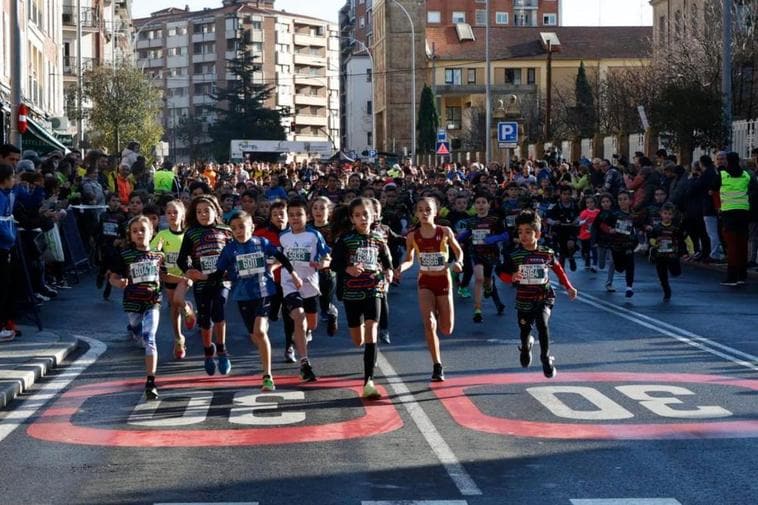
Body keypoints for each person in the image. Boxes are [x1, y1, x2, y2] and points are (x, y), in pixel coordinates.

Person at [209, 210, 302, 391]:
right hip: (243, 297)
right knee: (255, 336)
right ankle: (263, 340)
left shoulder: (261, 243)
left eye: (242, 227)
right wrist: (204, 283)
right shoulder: (229, 250)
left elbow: (281, 256)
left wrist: (294, 274)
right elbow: (218, 274)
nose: (238, 231)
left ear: (252, 227)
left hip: (263, 292)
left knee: (259, 332)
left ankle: (267, 375)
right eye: (234, 228)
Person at [496, 210, 577, 379]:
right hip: (524, 299)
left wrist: (569, 286)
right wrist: (512, 277)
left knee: (542, 324)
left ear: (538, 234)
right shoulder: (515, 255)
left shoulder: (546, 253)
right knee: (525, 329)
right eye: (520, 232)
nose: (523, 236)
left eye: (528, 232)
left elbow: (558, 269)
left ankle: (545, 358)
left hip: (544, 296)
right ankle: (526, 347)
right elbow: (501, 273)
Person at [109, 215, 182, 400]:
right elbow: (113, 277)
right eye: (135, 231)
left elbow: (165, 277)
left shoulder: (159, 256)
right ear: (130, 235)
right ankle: (134, 330)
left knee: (150, 338)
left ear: (151, 232)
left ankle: (150, 382)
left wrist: (184, 279)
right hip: (132, 302)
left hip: (153, 301)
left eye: (143, 230)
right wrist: (119, 282)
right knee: (137, 329)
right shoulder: (125, 255)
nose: (139, 234)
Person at [331, 197, 394, 400]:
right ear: (352, 218)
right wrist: (348, 268)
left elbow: (386, 258)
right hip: (352, 293)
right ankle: (367, 357)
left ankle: (369, 381)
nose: (363, 218)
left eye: (366, 214)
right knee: (358, 339)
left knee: (371, 329)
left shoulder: (378, 238)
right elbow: (334, 264)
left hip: (373, 289)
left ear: (373, 215)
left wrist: (390, 271)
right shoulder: (345, 240)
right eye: (358, 215)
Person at [396, 197, 464, 382]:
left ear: (435, 212)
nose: (424, 213)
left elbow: (458, 251)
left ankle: (441, 313)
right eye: (420, 210)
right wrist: (401, 268)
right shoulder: (412, 236)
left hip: (443, 281)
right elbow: (410, 259)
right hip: (425, 281)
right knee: (429, 323)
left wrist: (458, 262)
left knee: (447, 328)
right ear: (416, 214)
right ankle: (437, 365)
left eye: (428, 209)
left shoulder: (445, 231)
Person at [177, 195, 233, 375]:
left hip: (221, 280)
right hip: (202, 281)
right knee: (205, 319)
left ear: (215, 211)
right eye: (199, 211)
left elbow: (235, 254)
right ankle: (208, 352)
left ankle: (222, 350)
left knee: (219, 310)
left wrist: (230, 270)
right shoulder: (191, 233)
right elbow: (181, 260)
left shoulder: (225, 230)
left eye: (207, 210)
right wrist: (191, 273)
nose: (203, 214)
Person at [279, 198, 331, 382]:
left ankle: (305, 331)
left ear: (306, 216)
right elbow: (278, 260)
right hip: (290, 283)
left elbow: (327, 257)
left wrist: (322, 264)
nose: (294, 218)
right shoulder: (283, 237)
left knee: (312, 324)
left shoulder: (314, 236)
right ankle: (304, 363)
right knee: (298, 316)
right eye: (291, 215)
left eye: (298, 214)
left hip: (310, 284)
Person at [151, 200, 196, 359]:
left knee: (178, 299)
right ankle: (178, 339)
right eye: (168, 213)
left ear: (182, 214)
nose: (172, 215)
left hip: (186, 275)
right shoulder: (163, 235)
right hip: (169, 276)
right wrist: (158, 254)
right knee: (174, 307)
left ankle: (188, 309)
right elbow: (152, 251)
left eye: (175, 212)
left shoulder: (188, 234)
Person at [715, 152, 757, 286]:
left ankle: (732, 276)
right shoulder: (746, 175)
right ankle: (742, 275)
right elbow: (754, 190)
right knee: (742, 243)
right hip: (744, 211)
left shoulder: (722, 175)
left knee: (732, 244)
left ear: (727, 161)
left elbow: (712, 188)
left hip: (728, 212)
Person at [310, 196, 339, 336]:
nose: (318, 211)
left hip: (327, 271)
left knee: (325, 306)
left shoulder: (334, 229)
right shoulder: (307, 227)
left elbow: (338, 250)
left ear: (330, 211)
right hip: (308, 270)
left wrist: (327, 259)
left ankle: (331, 312)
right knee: (307, 303)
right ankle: (306, 330)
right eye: (315, 207)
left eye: (322, 208)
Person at [648, 202, 685, 301]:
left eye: (669, 214)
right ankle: (667, 292)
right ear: (661, 214)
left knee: (676, 272)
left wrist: (689, 250)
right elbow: (651, 238)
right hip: (660, 255)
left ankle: (675, 270)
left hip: (672, 255)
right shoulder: (657, 228)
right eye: (665, 213)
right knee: (662, 276)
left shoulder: (675, 228)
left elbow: (684, 238)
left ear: (672, 215)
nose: (667, 216)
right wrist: (655, 243)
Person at [0, 164, 17, 341]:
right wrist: (11, 238)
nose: (14, 180)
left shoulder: (6, 195)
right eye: (12, 177)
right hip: (2, 246)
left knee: (6, 286)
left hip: (6, 246)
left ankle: (6, 322)